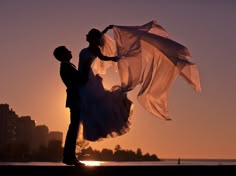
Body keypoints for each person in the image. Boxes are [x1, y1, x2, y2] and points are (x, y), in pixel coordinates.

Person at [77, 26, 133, 142]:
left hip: (86, 76)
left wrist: (113, 58)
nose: (86, 35)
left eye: (89, 34)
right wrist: (106, 29)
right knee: (90, 105)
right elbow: (99, 37)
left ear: (93, 38)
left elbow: (101, 57)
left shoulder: (94, 48)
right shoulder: (92, 46)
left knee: (90, 104)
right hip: (84, 75)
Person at [53, 46, 85, 166]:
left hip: (76, 99)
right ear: (63, 55)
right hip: (75, 100)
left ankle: (70, 157)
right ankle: (69, 157)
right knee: (73, 128)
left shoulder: (68, 66)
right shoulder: (66, 67)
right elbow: (78, 80)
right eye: (67, 51)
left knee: (74, 128)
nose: (70, 51)